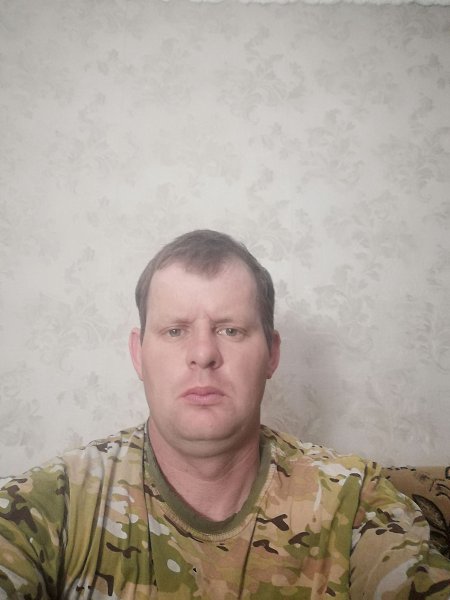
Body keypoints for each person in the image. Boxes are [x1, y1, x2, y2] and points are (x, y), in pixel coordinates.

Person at [0, 229, 449, 599]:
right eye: (175, 331)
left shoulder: (355, 498)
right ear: (138, 354)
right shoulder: (51, 503)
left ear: (271, 354)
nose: (203, 353)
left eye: (230, 330)